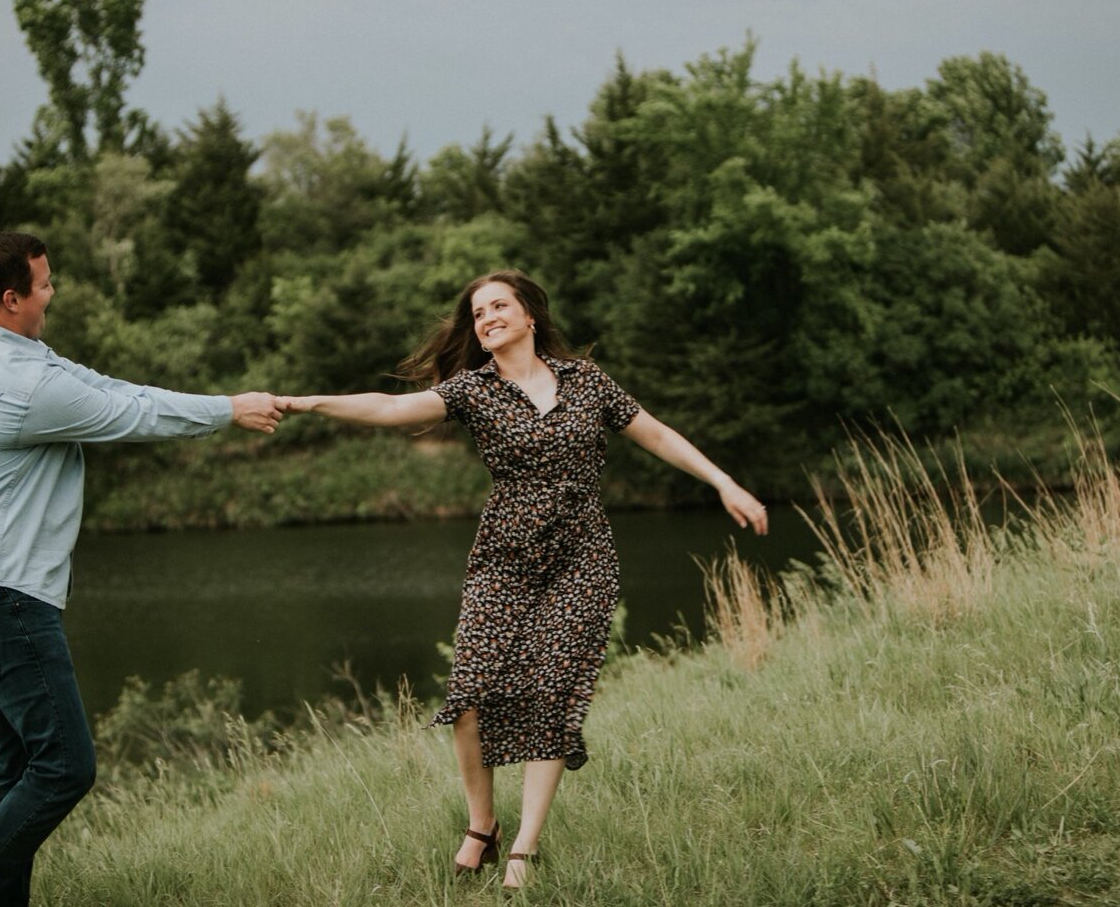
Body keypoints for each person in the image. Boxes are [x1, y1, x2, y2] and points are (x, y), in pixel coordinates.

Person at [282, 269, 767, 889]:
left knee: (552, 696)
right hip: (504, 556)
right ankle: (482, 825)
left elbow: (656, 433)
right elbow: (390, 407)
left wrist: (723, 481)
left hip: (581, 557)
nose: (487, 318)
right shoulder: (474, 392)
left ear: (529, 315)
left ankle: (524, 850)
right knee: (469, 696)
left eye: (499, 306)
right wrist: (305, 403)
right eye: (479, 313)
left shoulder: (587, 383)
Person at [0, 231, 284, 907]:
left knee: (20, 764)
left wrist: (216, 402)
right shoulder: (20, 384)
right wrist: (228, 409)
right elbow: (127, 414)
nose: (53, 292)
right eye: (46, 283)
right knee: (63, 766)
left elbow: (105, 385)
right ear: (11, 298)